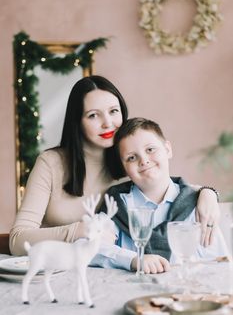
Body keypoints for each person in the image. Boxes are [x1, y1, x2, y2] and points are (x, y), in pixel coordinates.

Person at [9, 76, 220, 256]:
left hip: (105, 272)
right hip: (55, 269)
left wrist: (208, 193)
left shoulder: (129, 159)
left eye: (113, 111)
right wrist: (78, 231)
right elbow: (17, 240)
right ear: (78, 121)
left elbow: (166, 186)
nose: (108, 123)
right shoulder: (51, 163)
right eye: (93, 115)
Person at [92, 118, 228, 273]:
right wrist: (134, 259)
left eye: (150, 150)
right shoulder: (117, 204)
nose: (143, 161)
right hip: (129, 293)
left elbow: (220, 265)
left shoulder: (198, 204)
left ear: (168, 149)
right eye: (131, 157)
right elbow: (91, 247)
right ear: (124, 168)